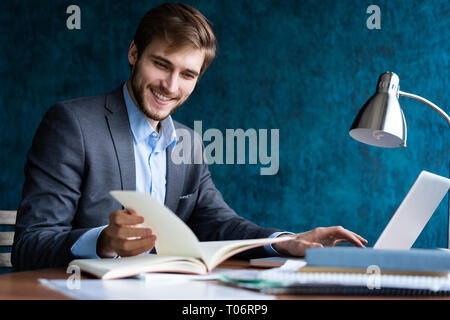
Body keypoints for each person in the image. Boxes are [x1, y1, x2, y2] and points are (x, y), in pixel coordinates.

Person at [12, 3, 367, 271]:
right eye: (162, 65)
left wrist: (287, 242)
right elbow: (29, 245)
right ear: (134, 53)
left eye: (187, 74)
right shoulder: (73, 124)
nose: (170, 86)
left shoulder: (189, 143)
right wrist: (102, 241)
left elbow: (220, 224)